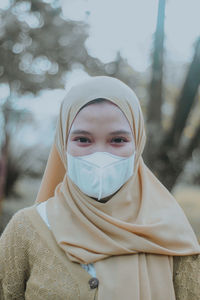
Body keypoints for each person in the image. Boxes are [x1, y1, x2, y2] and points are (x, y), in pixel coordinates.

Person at [0, 76, 200, 300]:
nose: (100, 156)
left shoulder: (171, 235)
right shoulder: (27, 229)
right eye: (83, 140)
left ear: (138, 143)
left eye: (118, 140)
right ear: (63, 144)